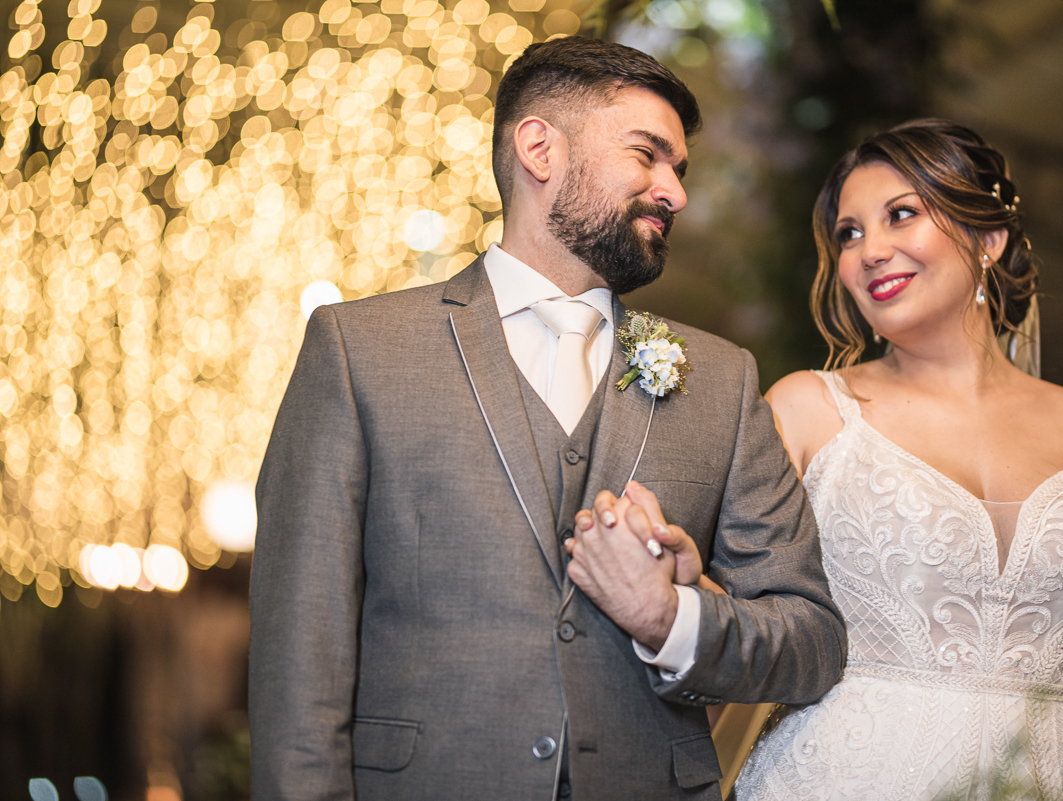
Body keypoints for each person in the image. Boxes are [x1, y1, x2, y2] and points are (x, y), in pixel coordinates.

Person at [249, 36, 847, 801]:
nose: (675, 192)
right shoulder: (358, 351)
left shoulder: (722, 380)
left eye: (680, 168)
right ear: (539, 148)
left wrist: (673, 618)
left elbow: (812, 641)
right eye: (648, 155)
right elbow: (302, 651)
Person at [712, 119, 1063, 799]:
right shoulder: (807, 410)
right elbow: (733, 626)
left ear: (988, 239)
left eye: (900, 215)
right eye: (849, 233)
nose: (869, 250)